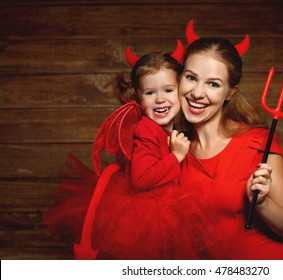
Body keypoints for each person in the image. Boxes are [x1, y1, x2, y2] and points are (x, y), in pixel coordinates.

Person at [44, 43, 220, 259]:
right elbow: (141, 178)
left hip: (169, 208)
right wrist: (175, 157)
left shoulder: (176, 127)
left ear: (181, 91)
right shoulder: (145, 130)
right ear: (138, 97)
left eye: (168, 90)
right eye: (150, 92)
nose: (160, 98)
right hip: (150, 216)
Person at [178, 21, 283, 259]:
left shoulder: (258, 142)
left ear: (230, 92)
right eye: (191, 77)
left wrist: (262, 204)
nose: (197, 93)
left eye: (213, 84)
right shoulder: (173, 152)